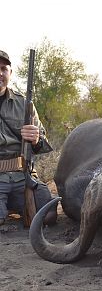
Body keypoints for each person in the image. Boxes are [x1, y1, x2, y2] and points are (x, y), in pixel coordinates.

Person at [0, 50, 57, 226]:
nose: (0, 74)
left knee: (48, 216)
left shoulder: (23, 103)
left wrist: (35, 138)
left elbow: (43, 144)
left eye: (4, 68)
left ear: (10, 72)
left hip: (22, 175)